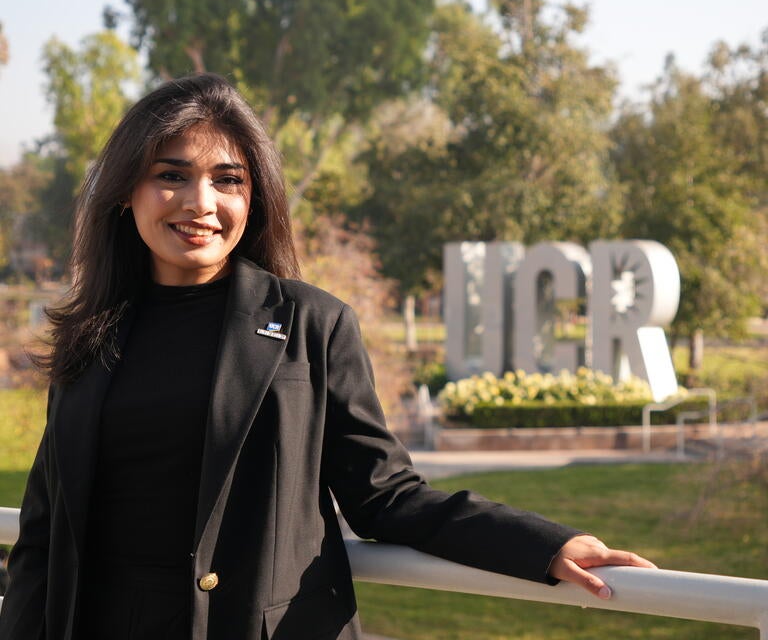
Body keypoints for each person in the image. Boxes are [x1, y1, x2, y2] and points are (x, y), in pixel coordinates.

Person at [0, 74, 654, 640]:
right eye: (171, 175)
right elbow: (42, 533)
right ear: (124, 192)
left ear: (252, 198)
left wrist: (541, 545)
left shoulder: (311, 324)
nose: (201, 203)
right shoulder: (89, 334)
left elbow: (385, 494)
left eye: (228, 180)